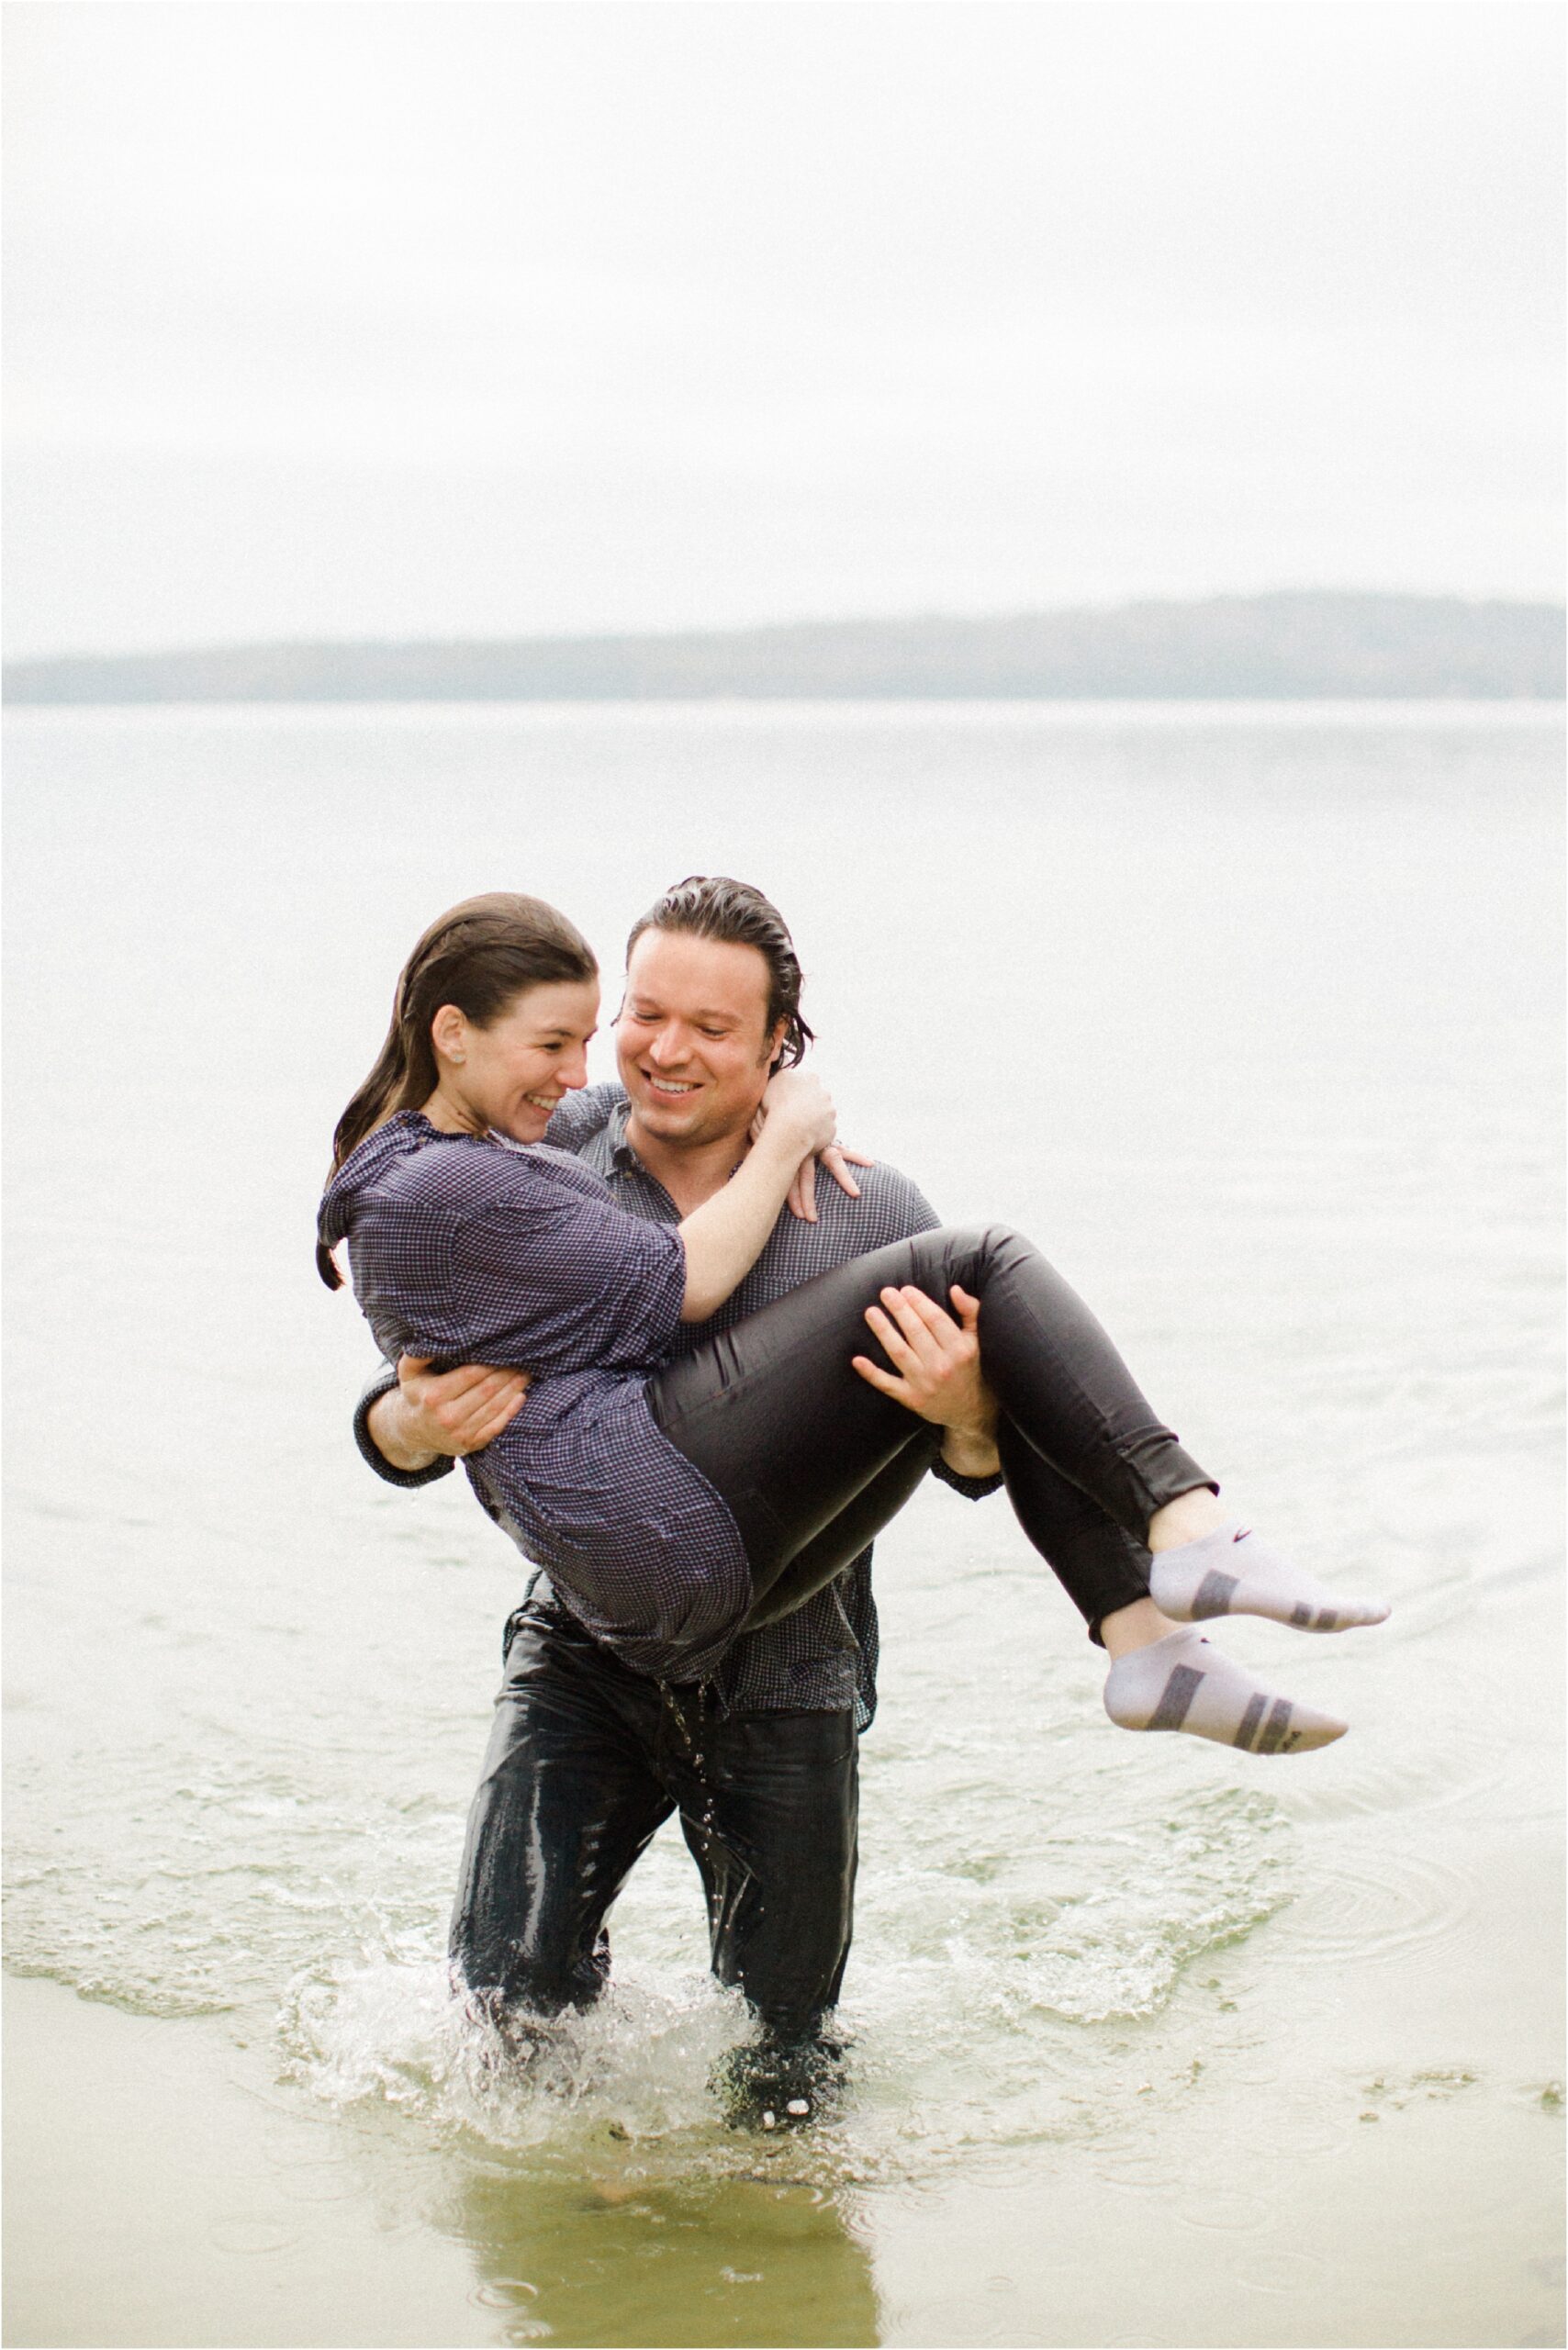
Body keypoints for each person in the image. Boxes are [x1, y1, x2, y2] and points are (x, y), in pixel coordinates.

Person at [319, 887, 1388, 2108]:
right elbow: (401, 1396)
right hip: (589, 1650)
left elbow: (976, 1469)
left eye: (712, 1029)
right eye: (644, 1014)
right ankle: (575, 2251)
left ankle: (770, 2260)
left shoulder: (871, 1213)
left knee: (786, 2061)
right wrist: (406, 1420)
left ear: (782, 1048)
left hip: (791, 1665)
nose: (665, 1050)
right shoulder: (541, 1141)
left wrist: (968, 1414)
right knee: (500, 2020)